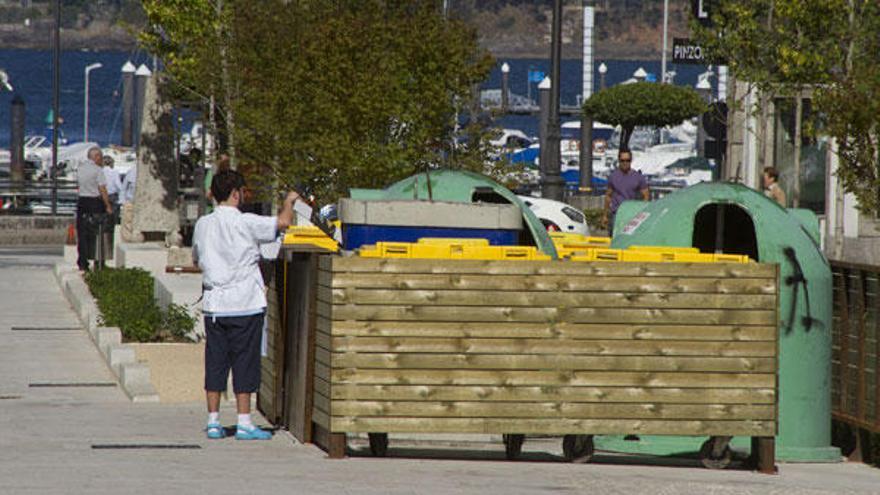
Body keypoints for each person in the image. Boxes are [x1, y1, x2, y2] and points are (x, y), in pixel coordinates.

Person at [192, 169, 299, 440]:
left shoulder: (203, 224)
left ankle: (214, 421)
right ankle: (243, 421)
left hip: (215, 305)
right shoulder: (246, 222)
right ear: (235, 193)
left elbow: (197, 258)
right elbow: (284, 222)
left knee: (215, 363)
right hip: (245, 303)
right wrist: (290, 200)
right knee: (245, 362)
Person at [76, 147, 113, 271]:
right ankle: (99, 261)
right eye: (101, 157)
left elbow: (79, 186)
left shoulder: (80, 169)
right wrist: (108, 205)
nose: (102, 160)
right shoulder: (98, 170)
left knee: (82, 233)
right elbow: (102, 189)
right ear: (96, 157)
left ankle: (82, 261)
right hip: (95, 202)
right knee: (99, 232)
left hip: (82, 201)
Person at [603, 149, 649, 236]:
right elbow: (608, 196)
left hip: (632, 214)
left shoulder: (638, 177)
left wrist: (641, 212)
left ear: (631, 161)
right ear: (619, 161)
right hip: (616, 214)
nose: (625, 163)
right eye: (622, 160)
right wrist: (605, 215)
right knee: (614, 238)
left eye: (627, 160)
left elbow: (646, 195)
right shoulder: (613, 176)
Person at [102, 155, 122, 222]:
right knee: (113, 217)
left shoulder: (100, 172)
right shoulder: (115, 172)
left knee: (103, 216)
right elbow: (118, 184)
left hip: (102, 195)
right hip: (113, 196)